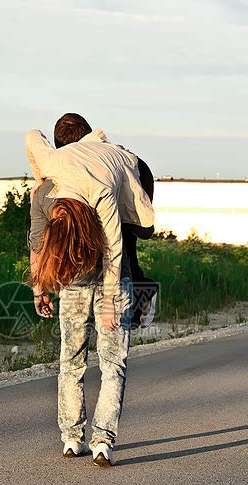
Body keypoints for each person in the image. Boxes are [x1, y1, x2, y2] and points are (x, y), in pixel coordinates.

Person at [25, 114, 155, 466]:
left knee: (71, 361)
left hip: (79, 284)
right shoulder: (99, 182)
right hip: (114, 279)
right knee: (113, 364)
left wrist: (41, 286)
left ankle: (71, 438)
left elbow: (39, 245)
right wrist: (114, 302)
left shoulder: (44, 192)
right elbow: (115, 248)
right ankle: (102, 442)